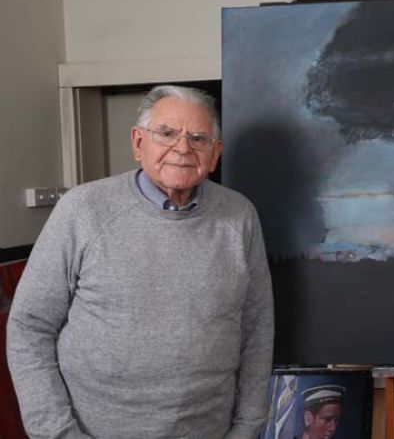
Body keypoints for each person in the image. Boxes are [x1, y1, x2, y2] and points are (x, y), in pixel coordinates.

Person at [6, 85, 274, 438]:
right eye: (166, 133)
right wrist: (58, 433)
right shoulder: (82, 209)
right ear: (138, 142)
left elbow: (258, 327)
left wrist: (247, 428)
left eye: (198, 138)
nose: (183, 148)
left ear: (215, 154)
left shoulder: (240, 215)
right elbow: (29, 327)